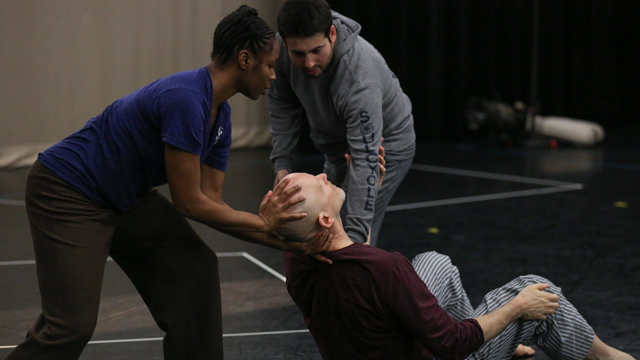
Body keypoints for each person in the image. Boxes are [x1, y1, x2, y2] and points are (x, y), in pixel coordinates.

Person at [6, 6, 333, 360]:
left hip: (124, 197)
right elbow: (188, 202)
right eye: (269, 64)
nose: (273, 75)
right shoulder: (186, 100)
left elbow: (212, 203)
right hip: (67, 191)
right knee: (70, 326)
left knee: (195, 270)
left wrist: (286, 242)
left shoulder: (220, 117)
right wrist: (266, 224)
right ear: (244, 59)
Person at [276, 172, 635, 360]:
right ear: (325, 220)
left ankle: (497, 343)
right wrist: (516, 308)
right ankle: (605, 357)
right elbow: (451, 343)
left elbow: (356, 260)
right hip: (443, 352)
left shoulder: (298, 263)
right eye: (318, 184)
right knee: (537, 289)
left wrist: (375, 188)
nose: (325, 177)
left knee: (436, 263)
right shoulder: (388, 268)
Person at [267, 0, 416, 246]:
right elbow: (282, 103)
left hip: (383, 147)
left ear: (333, 34)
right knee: (320, 223)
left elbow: (365, 159)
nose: (309, 63)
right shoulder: (282, 48)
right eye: (299, 53)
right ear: (284, 42)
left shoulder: (359, 77)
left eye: (316, 50)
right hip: (336, 144)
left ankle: (361, 276)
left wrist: (354, 246)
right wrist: (282, 164)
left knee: (345, 229)